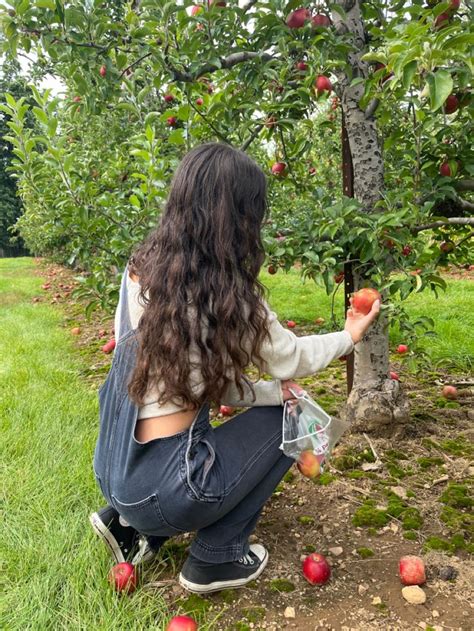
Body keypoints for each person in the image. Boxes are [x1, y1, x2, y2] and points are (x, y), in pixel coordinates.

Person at [90, 142, 380, 594]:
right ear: (241, 218)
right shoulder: (229, 295)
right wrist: (350, 336)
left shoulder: (140, 272)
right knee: (296, 418)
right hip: (168, 485)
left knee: (265, 404)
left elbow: (201, 383)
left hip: (113, 466)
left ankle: (130, 526)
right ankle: (216, 558)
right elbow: (292, 359)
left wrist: (268, 392)